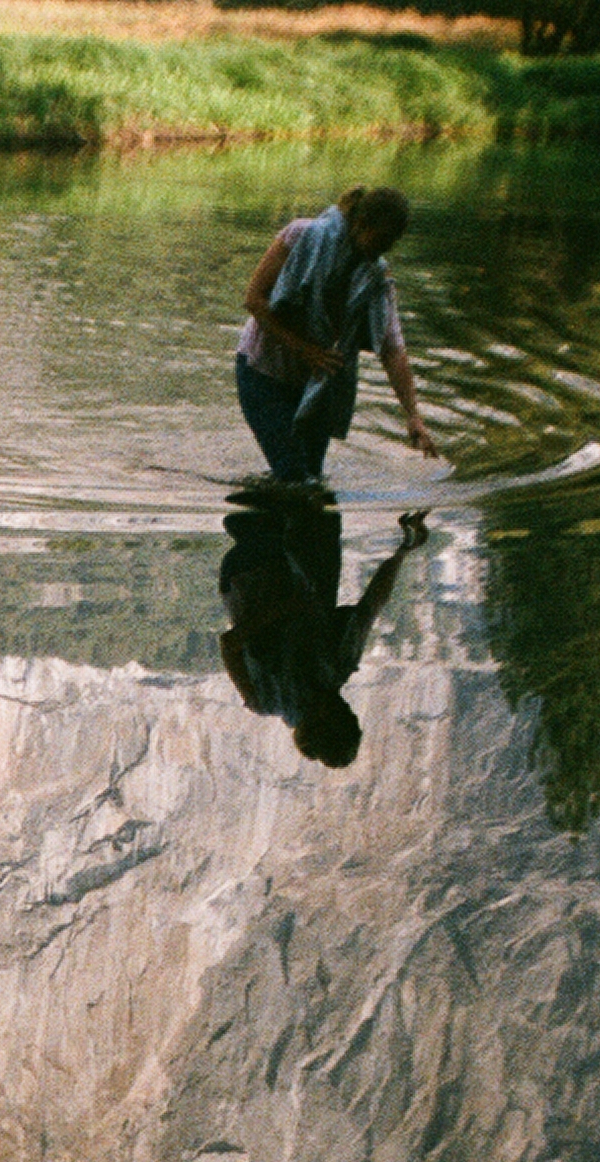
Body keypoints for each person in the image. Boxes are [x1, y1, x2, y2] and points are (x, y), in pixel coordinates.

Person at [234, 186, 441, 488]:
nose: (385, 249)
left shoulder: (375, 278)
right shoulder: (302, 235)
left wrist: (413, 417)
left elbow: (393, 351)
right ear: (361, 224)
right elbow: (254, 299)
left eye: (392, 242)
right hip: (263, 372)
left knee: (312, 479)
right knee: (294, 478)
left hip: (316, 385)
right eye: (382, 238)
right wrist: (306, 350)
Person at [218, 500, 428, 767]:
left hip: (250, 573)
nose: (345, 704)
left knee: (295, 500)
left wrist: (285, 607)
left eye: (342, 712)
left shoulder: (263, 698)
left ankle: (265, 516)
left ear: (319, 720)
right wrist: (403, 551)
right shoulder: (339, 666)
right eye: (348, 712)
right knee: (318, 508)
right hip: (290, 564)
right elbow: (372, 604)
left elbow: (229, 643)